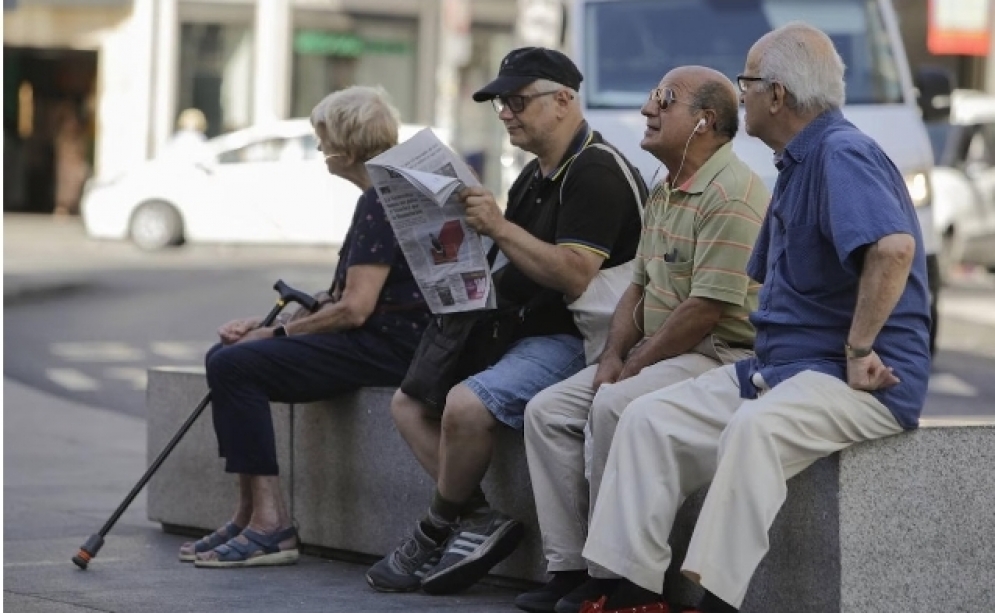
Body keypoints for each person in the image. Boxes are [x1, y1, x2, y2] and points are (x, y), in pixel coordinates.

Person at [579, 22, 932, 613]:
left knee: (754, 429)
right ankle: (634, 594)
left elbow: (893, 249)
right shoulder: (797, 161)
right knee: (647, 419)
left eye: (746, 82)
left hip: (858, 379)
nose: (738, 96)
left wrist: (858, 349)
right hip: (785, 367)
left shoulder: (841, 152)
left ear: (777, 95)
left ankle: (713, 601)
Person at [365, 47, 644, 594]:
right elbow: (508, 260)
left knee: (467, 405)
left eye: (518, 100)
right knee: (408, 403)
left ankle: (436, 526)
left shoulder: (595, 171)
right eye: (501, 104)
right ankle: (477, 518)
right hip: (515, 325)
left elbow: (574, 276)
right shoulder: (535, 174)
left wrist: (496, 225)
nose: (507, 113)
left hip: (579, 337)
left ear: (564, 100)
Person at [517, 66, 770, 613]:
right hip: (656, 352)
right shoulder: (666, 186)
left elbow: (705, 309)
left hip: (716, 356)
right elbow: (636, 288)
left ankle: (622, 583)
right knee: (545, 412)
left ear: (704, 121)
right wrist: (612, 355)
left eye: (664, 100)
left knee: (614, 404)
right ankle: (569, 569)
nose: (646, 110)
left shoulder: (734, 194)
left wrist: (630, 368)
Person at [180, 86, 432, 568]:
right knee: (225, 357)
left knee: (236, 366)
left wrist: (274, 335)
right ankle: (249, 513)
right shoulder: (390, 192)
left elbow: (356, 309)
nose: (319, 148)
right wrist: (268, 322)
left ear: (347, 147)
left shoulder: (380, 200)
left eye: (323, 138)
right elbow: (346, 296)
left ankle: (271, 526)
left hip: (387, 347)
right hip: (388, 339)